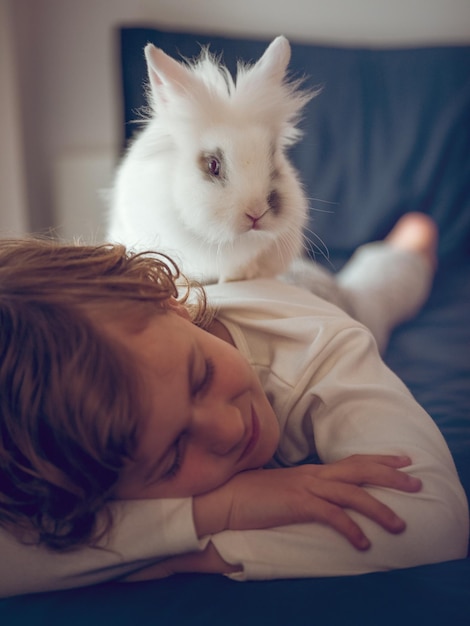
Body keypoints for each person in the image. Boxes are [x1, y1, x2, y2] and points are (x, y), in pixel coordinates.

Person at [0, 214, 467, 597]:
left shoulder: (317, 349)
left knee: (378, 290)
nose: (228, 428)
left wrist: (182, 550)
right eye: (173, 457)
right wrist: (217, 511)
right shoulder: (79, 428)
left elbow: (433, 519)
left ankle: (409, 238)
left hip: (311, 294)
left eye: (200, 377)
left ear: (168, 301)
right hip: (219, 288)